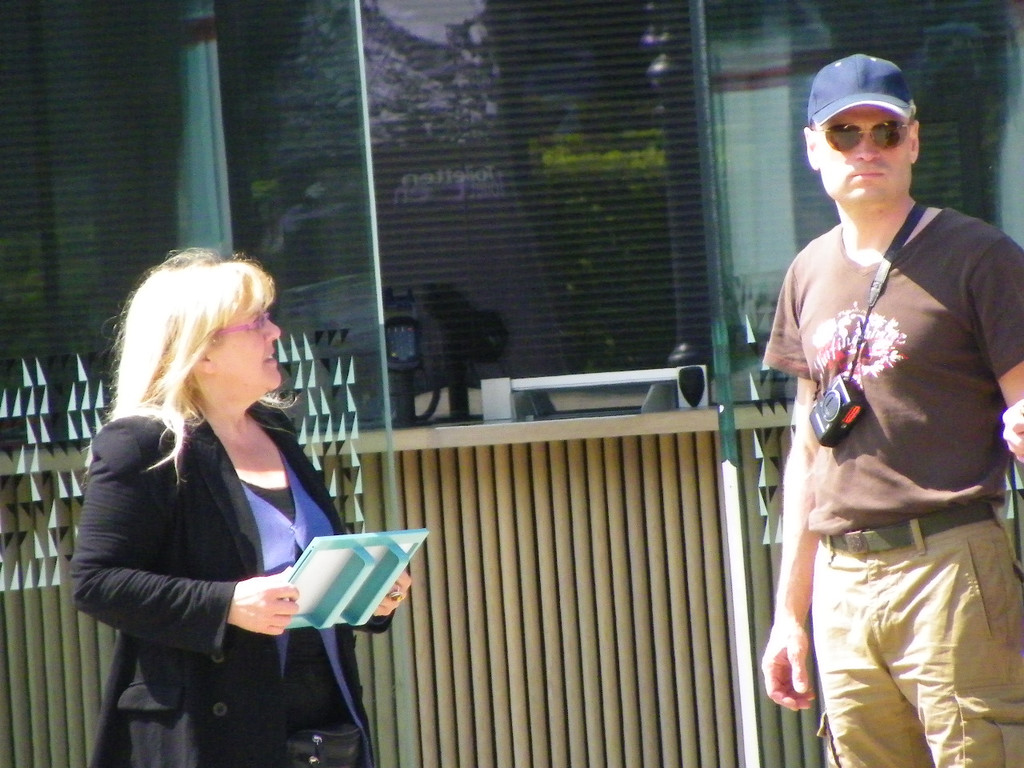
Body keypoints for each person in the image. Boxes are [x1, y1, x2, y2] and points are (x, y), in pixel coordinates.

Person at [760, 53, 1024, 767]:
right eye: (844, 132)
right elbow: (807, 453)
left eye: (884, 131)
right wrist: (789, 615)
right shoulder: (807, 271)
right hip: (842, 583)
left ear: (913, 141)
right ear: (813, 148)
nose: (865, 148)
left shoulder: (980, 255)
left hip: (951, 566)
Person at [71, 249, 411, 768]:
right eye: (256, 323)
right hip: (210, 733)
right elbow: (96, 582)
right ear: (201, 351)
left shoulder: (276, 429)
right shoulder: (142, 444)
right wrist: (226, 604)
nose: (275, 332)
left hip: (323, 730)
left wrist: (367, 591)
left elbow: (301, 568)